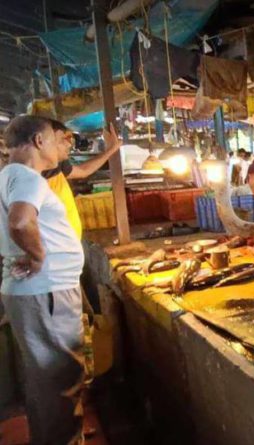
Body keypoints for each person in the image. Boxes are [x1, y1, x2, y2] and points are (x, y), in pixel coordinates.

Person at [0, 116, 86, 444]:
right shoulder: (27, 178)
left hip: (33, 293)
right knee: (61, 380)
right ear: (38, 141)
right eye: (55, 138)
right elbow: (20, 222)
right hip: (47, 292)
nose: (59, 145)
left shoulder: (7, 177)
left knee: (45, 383)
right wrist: (38, 257)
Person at [43, 120, 122, 239]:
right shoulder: (34, 178)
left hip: (69, 244)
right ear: (41, 142)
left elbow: (83, 170)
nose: (69, 144)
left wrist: (111, 150)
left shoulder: (58, 166)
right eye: (61, 139)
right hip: (56, 250)